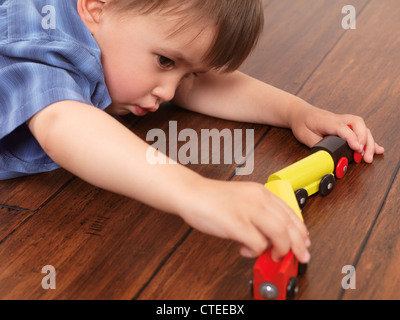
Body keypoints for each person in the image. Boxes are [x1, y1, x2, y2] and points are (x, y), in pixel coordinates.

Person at [0, 0, 384, 264]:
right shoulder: (40, 40)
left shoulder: (116, 26)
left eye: (187, 70)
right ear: (96, 9)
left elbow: (195, 86)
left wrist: (296, 112)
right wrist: (194, 191)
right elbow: (62, 122)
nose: (168, 92)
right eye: (165, 61)